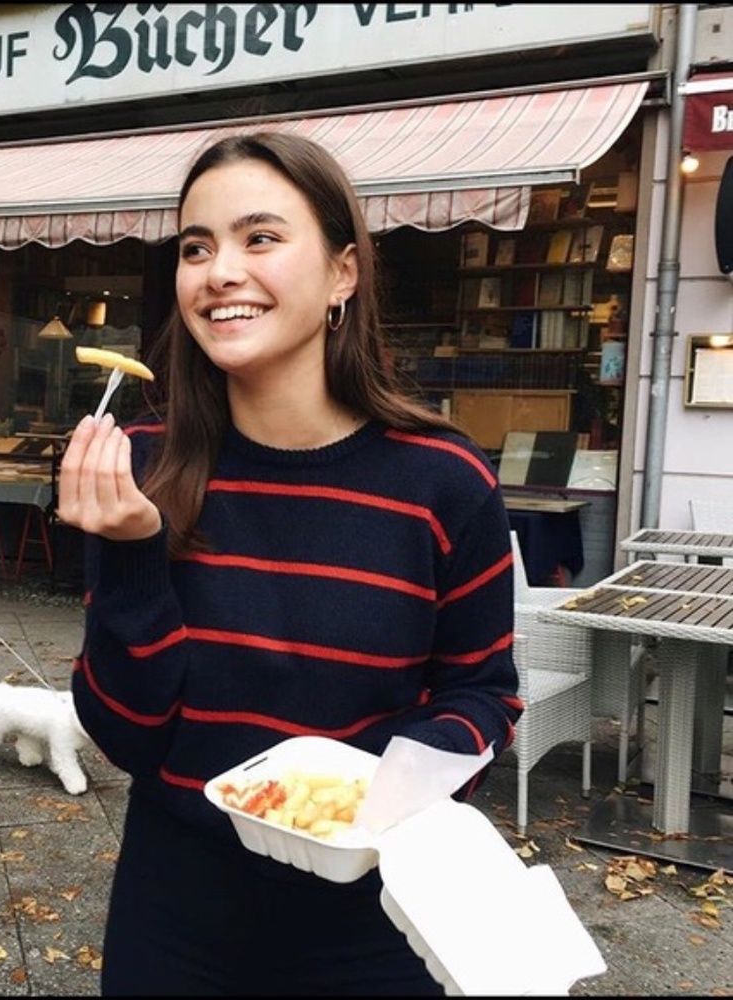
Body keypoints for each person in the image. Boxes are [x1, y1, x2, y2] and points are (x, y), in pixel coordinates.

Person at [56, 132, 523, 995]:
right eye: (197, 247)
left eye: (260, 238)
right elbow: (124, 731)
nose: (219, 271)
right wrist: (130, 555)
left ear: (344, 273)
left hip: (380, 915)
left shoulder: (444, 481)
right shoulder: (144, 463)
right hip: (176, 906)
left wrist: (388, 789)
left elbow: (485, 692)